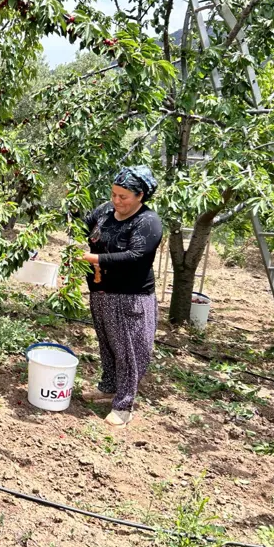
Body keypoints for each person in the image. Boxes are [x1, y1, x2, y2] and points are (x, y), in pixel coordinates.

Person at [80, 165, 163, 427]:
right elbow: (83, 223)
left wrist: (95, 258)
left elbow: (136, 257)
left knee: (128, 351)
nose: (116, 201)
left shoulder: (147, 222)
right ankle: (108, 387)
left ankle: (124, 405)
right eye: (114, 194)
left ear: (140, 196)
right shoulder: (106, 211)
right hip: (101, 292)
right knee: (107, 345)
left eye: (123, 196)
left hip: (130, 297)